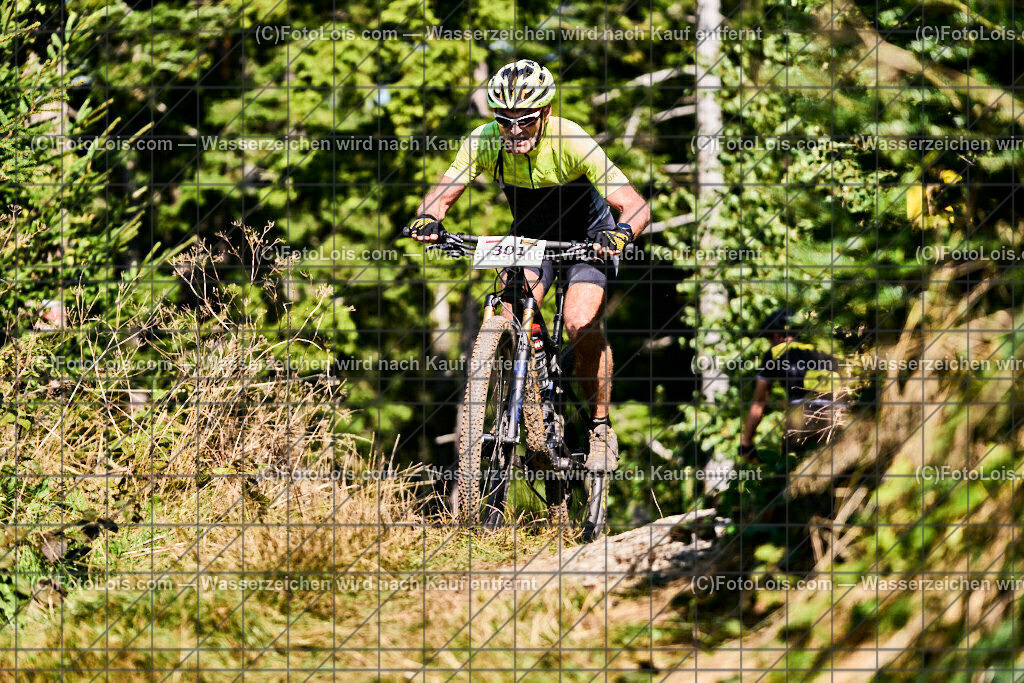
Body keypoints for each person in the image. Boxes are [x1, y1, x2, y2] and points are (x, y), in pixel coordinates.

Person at [407, 59, 650, 472]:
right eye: (505, 121)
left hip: (589, 239)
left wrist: (622, 233)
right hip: (531, 239)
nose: (515, 131)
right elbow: (441, 196)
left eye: (527, 121)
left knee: (578, 322)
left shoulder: (571, 139)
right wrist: (428, 219)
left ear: (547, 113)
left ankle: (601, 427)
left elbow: (635, 204)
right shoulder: (485, 140)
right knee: (506, 311)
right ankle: (523, 402)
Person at [740, 309, 846, 461]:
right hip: (838, 415)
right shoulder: (824, 349)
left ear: (776, 336)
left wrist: (746, 443)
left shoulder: (775, 353)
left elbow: (759, 403)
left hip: (802, 417)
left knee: (791, 473)